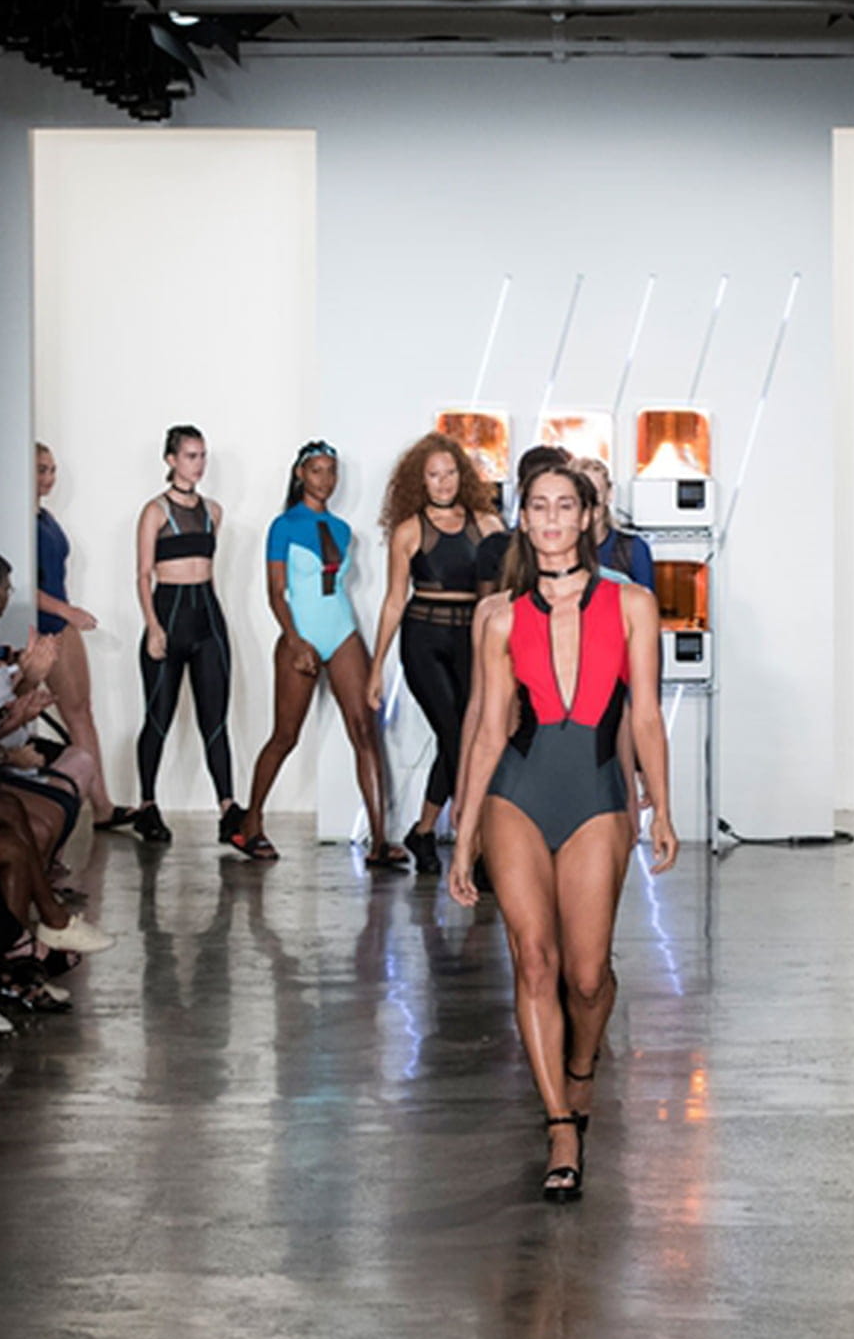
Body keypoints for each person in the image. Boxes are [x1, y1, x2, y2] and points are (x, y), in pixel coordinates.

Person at [450, 462, 677, 1202]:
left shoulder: (634, 603)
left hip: (597, 797)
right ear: (524, 519)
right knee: (535, 963)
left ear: (586, 517)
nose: (551, 519)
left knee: (586, 976)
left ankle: (581, 1070)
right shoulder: (499, 617)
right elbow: (488, 730)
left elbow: (646, 715)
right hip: (516, 795)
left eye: (564, 507)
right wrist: (463, 834)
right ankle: (560, 1128)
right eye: (538, 507)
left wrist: (663, 807)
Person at [232, 440, 406, 868]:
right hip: (301, 635)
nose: (325, 479)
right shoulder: (283, 526)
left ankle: (379, 841)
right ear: (300, 474)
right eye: (316, 471)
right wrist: (294, 640)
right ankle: (251, 824)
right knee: (285, 736)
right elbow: (276, 593)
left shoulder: (344, 531)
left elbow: (336, 588)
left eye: (332, 471)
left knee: (365, 730)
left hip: (342, 631)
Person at [367, 432, 502, 875]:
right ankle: (474, 846)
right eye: (433, 475)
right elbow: (393, 601)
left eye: (449, 473)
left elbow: (508, 589)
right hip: (423, 638)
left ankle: (424, 831)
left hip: (473, 639)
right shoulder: (409, 530)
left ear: (462, 476)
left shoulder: (487, 525)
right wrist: (376, 669)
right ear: (419, 481)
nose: (443, 482)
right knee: (456, 734)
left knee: (465, 737)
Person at [133, 425, 242, 847]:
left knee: (215, 719)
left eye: (202, 455)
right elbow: (143, 574)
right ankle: (147, 804)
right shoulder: (155, 512)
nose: (199, 464)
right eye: (191, 456)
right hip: (169, 616)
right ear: (171, 460)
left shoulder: (214, 511)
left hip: (207, 619)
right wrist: (153, 626)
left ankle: (228, 808)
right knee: (158, 716)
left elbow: (207, 570)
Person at [35, 443, 134, 832]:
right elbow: (22, 583)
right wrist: (65, 611)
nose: (49, 477)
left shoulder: (45, 518)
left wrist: (65, 614)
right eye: (41, 469)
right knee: (67, 714)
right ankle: (79, 806)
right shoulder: (19, 522)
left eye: (52, 469)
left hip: (59, 619)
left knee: (81, 712)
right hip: (41, 624)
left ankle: (102, 805)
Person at [575, 457, 656, 589]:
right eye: (581, 493)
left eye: (595, 492)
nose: (589, 501)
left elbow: (647, 599)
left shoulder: (634, 549)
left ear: (609, 494)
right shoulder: (558, 551)